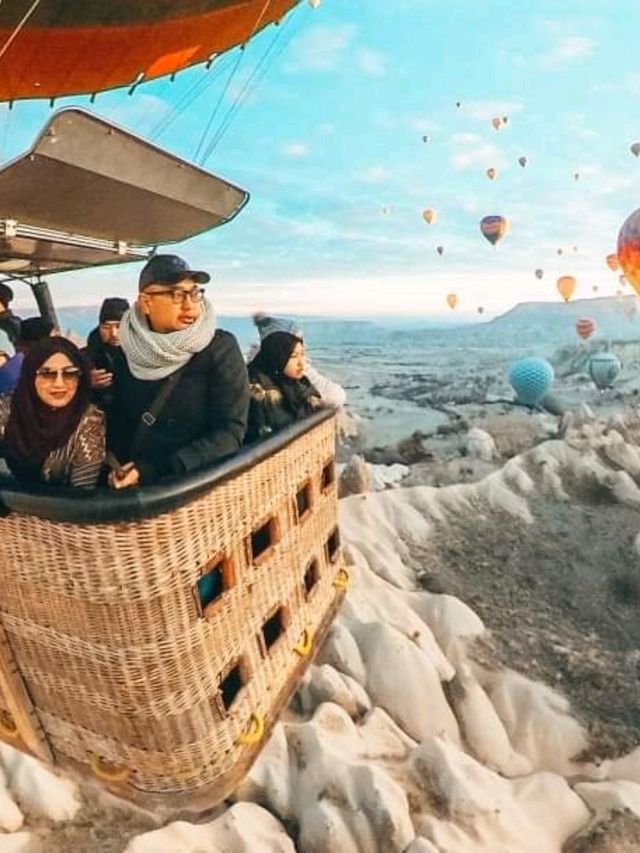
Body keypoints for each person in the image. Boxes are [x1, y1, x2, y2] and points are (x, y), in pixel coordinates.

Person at [108, 254, 249, 489]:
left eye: (194, 292)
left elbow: (230, 432)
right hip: (139, 488)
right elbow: (123, 420)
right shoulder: (128, 352)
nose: (190, 304)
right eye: (176, 294)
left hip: (196, 486)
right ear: (146, 302)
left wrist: (159, 470)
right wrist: (119, 469)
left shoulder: (219, 349)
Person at [0, 337, 105, 488]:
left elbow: (82, 493)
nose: (59, 383)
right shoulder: (7, 408)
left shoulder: (90, 420)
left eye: (69, 374)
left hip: (61, 508)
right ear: (31, 376)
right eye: (47, 374)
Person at [250, 313, 346, 408]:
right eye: (294, 355)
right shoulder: (260, 391)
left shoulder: (297, 379)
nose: (304, 346)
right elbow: (335, 396)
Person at [247, 330, 323, 442]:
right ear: (277, 357)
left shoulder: (301, 383)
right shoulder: (260, 392)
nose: (301, 362)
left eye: (302, 354)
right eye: (293, 356)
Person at [84, 297, 129, 401]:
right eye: (106, 327)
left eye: (119, 326)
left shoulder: (145, 351)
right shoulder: (88, 357)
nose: (113, 334)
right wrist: (86, 382)